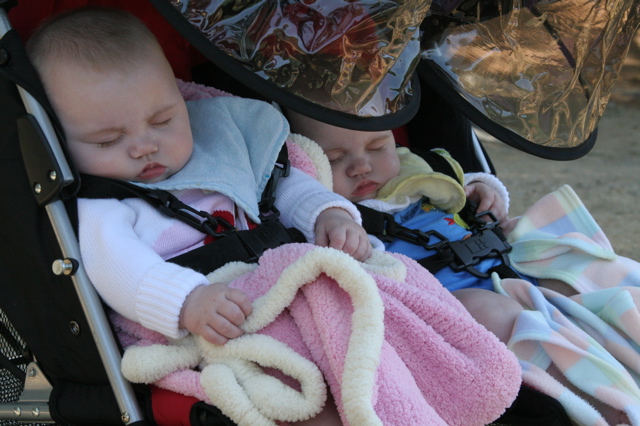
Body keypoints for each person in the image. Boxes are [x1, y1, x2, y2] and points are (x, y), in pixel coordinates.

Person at [26, 7, 371, 352]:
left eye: (162, 121)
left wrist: (327, 214)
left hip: (278, 282)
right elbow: (118, 270)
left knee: (366, 316)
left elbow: (276, 184)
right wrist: (186, 301)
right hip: (206, 321)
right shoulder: (101, 207)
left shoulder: (218, 146)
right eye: (107, 140)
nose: (145, 147)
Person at [287, 110, 527, 343]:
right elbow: (298, 199)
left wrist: (482, 191)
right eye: (334, 159)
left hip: (504, 264)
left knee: (561, 246)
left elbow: (459, 182)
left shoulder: (415, 169)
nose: (361, 167)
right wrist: (330, 217)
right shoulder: (333, 214)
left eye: (376, 147)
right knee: (496, 314)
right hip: (454, 301)